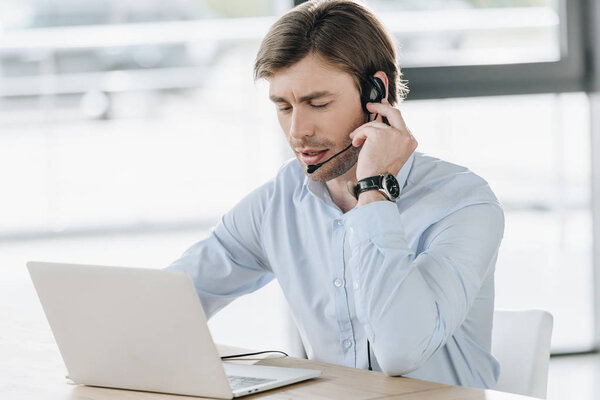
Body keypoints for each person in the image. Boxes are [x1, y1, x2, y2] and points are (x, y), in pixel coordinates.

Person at [167, 0, 504, 390]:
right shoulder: (279, 201)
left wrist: (376, 189)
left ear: (377, 92)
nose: (297, 131)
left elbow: (400, 349)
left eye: (318, 103)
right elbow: (173, 299)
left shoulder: (463, 203)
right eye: (283, 106)